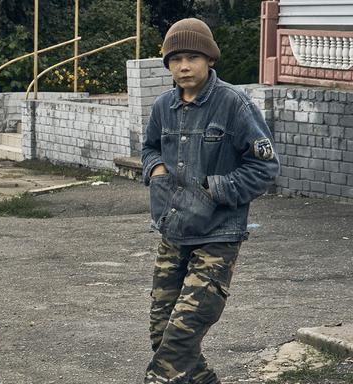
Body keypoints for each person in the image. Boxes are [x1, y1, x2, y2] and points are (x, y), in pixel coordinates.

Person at [141, 18, 279, 384]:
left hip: (217, 235)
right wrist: (155, 169)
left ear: (209, 60)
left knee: (179, 338)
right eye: (175, 59)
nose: (183, 66)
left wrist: (213, 188)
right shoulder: (162, 107)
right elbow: (149, 148)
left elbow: (265, 168)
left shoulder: (234, 104)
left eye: (192, 57)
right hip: (173, 232)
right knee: (163, 336)